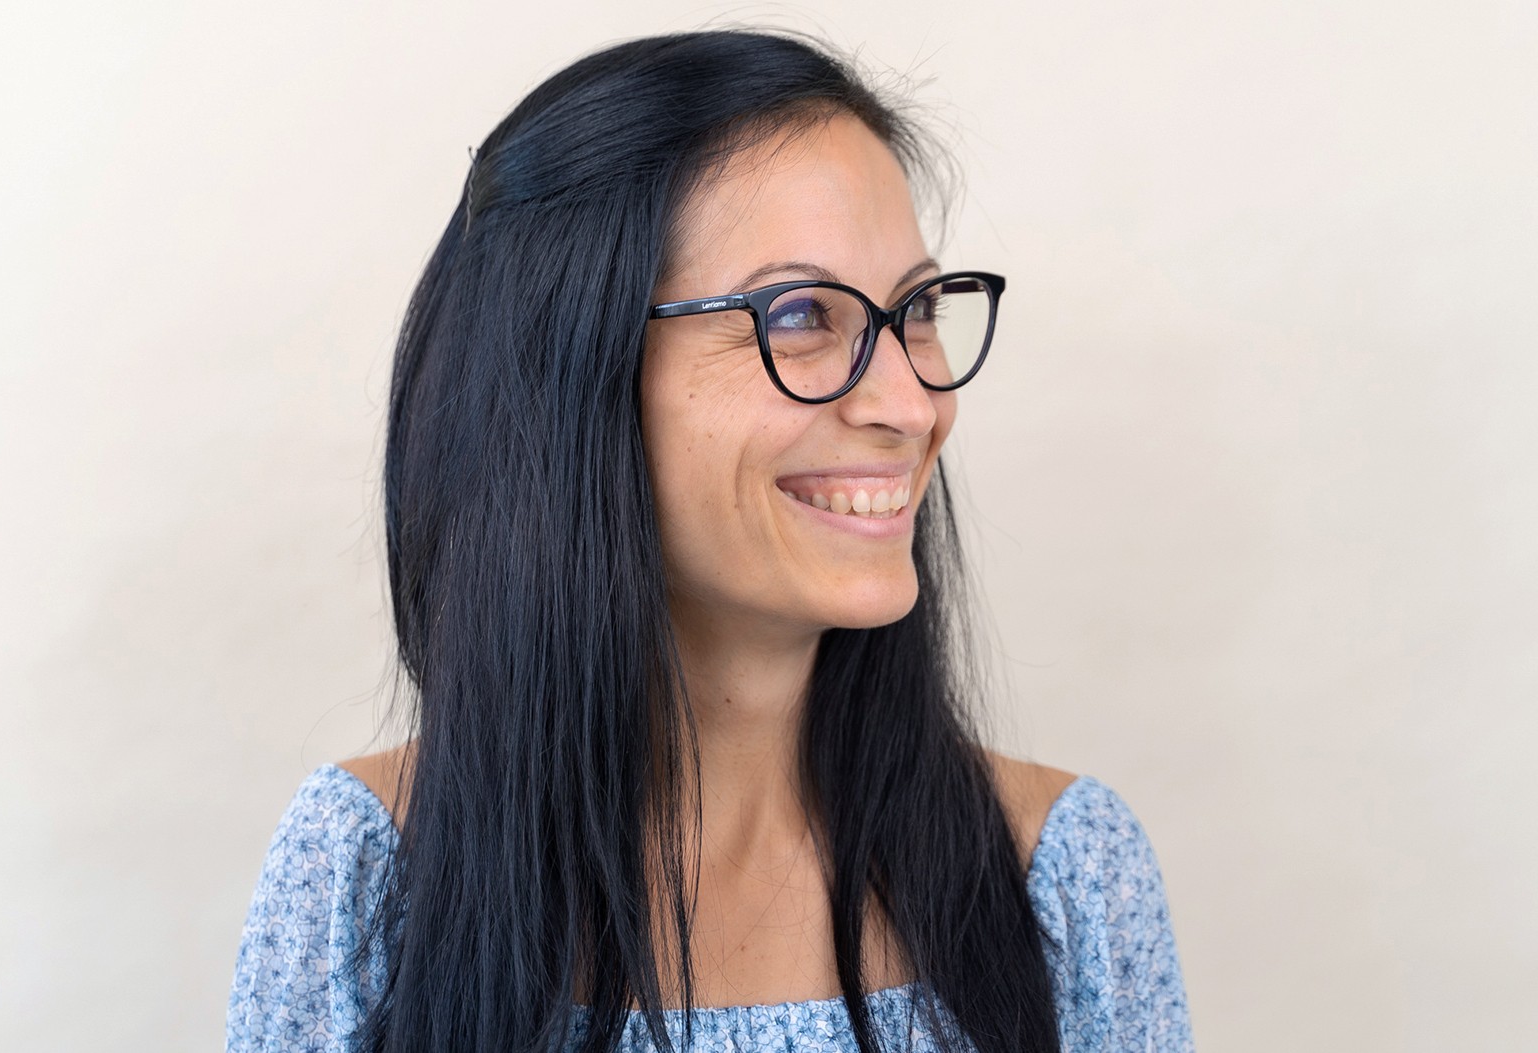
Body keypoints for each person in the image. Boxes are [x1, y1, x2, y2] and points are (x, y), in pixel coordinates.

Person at [225, 28, 1194, 1053]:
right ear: (573, 370)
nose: (912, 405)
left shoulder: (1065, 877)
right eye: (801, 313)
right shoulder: (364, 879)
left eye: (915, 309)